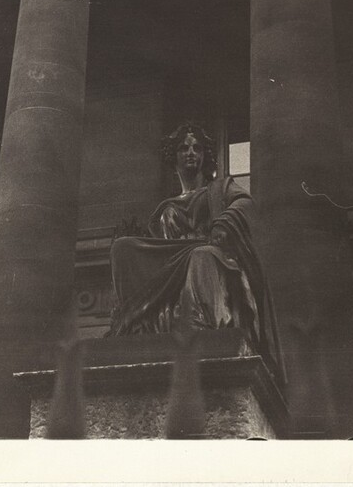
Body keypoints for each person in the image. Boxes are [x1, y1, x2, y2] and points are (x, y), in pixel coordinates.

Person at [108, 122, 282, 372]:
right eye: (183, 148)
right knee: (122, 248)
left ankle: (204, 325)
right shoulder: (167, 205)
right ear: (174, 156)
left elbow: (245, 204)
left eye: (197, 148)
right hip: (172, 257)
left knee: (202, 256)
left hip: (209, 250)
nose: (191, 152)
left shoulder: (220, 188)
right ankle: (134, 323)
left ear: (205, 155)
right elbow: (163, 245)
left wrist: (224, 223)